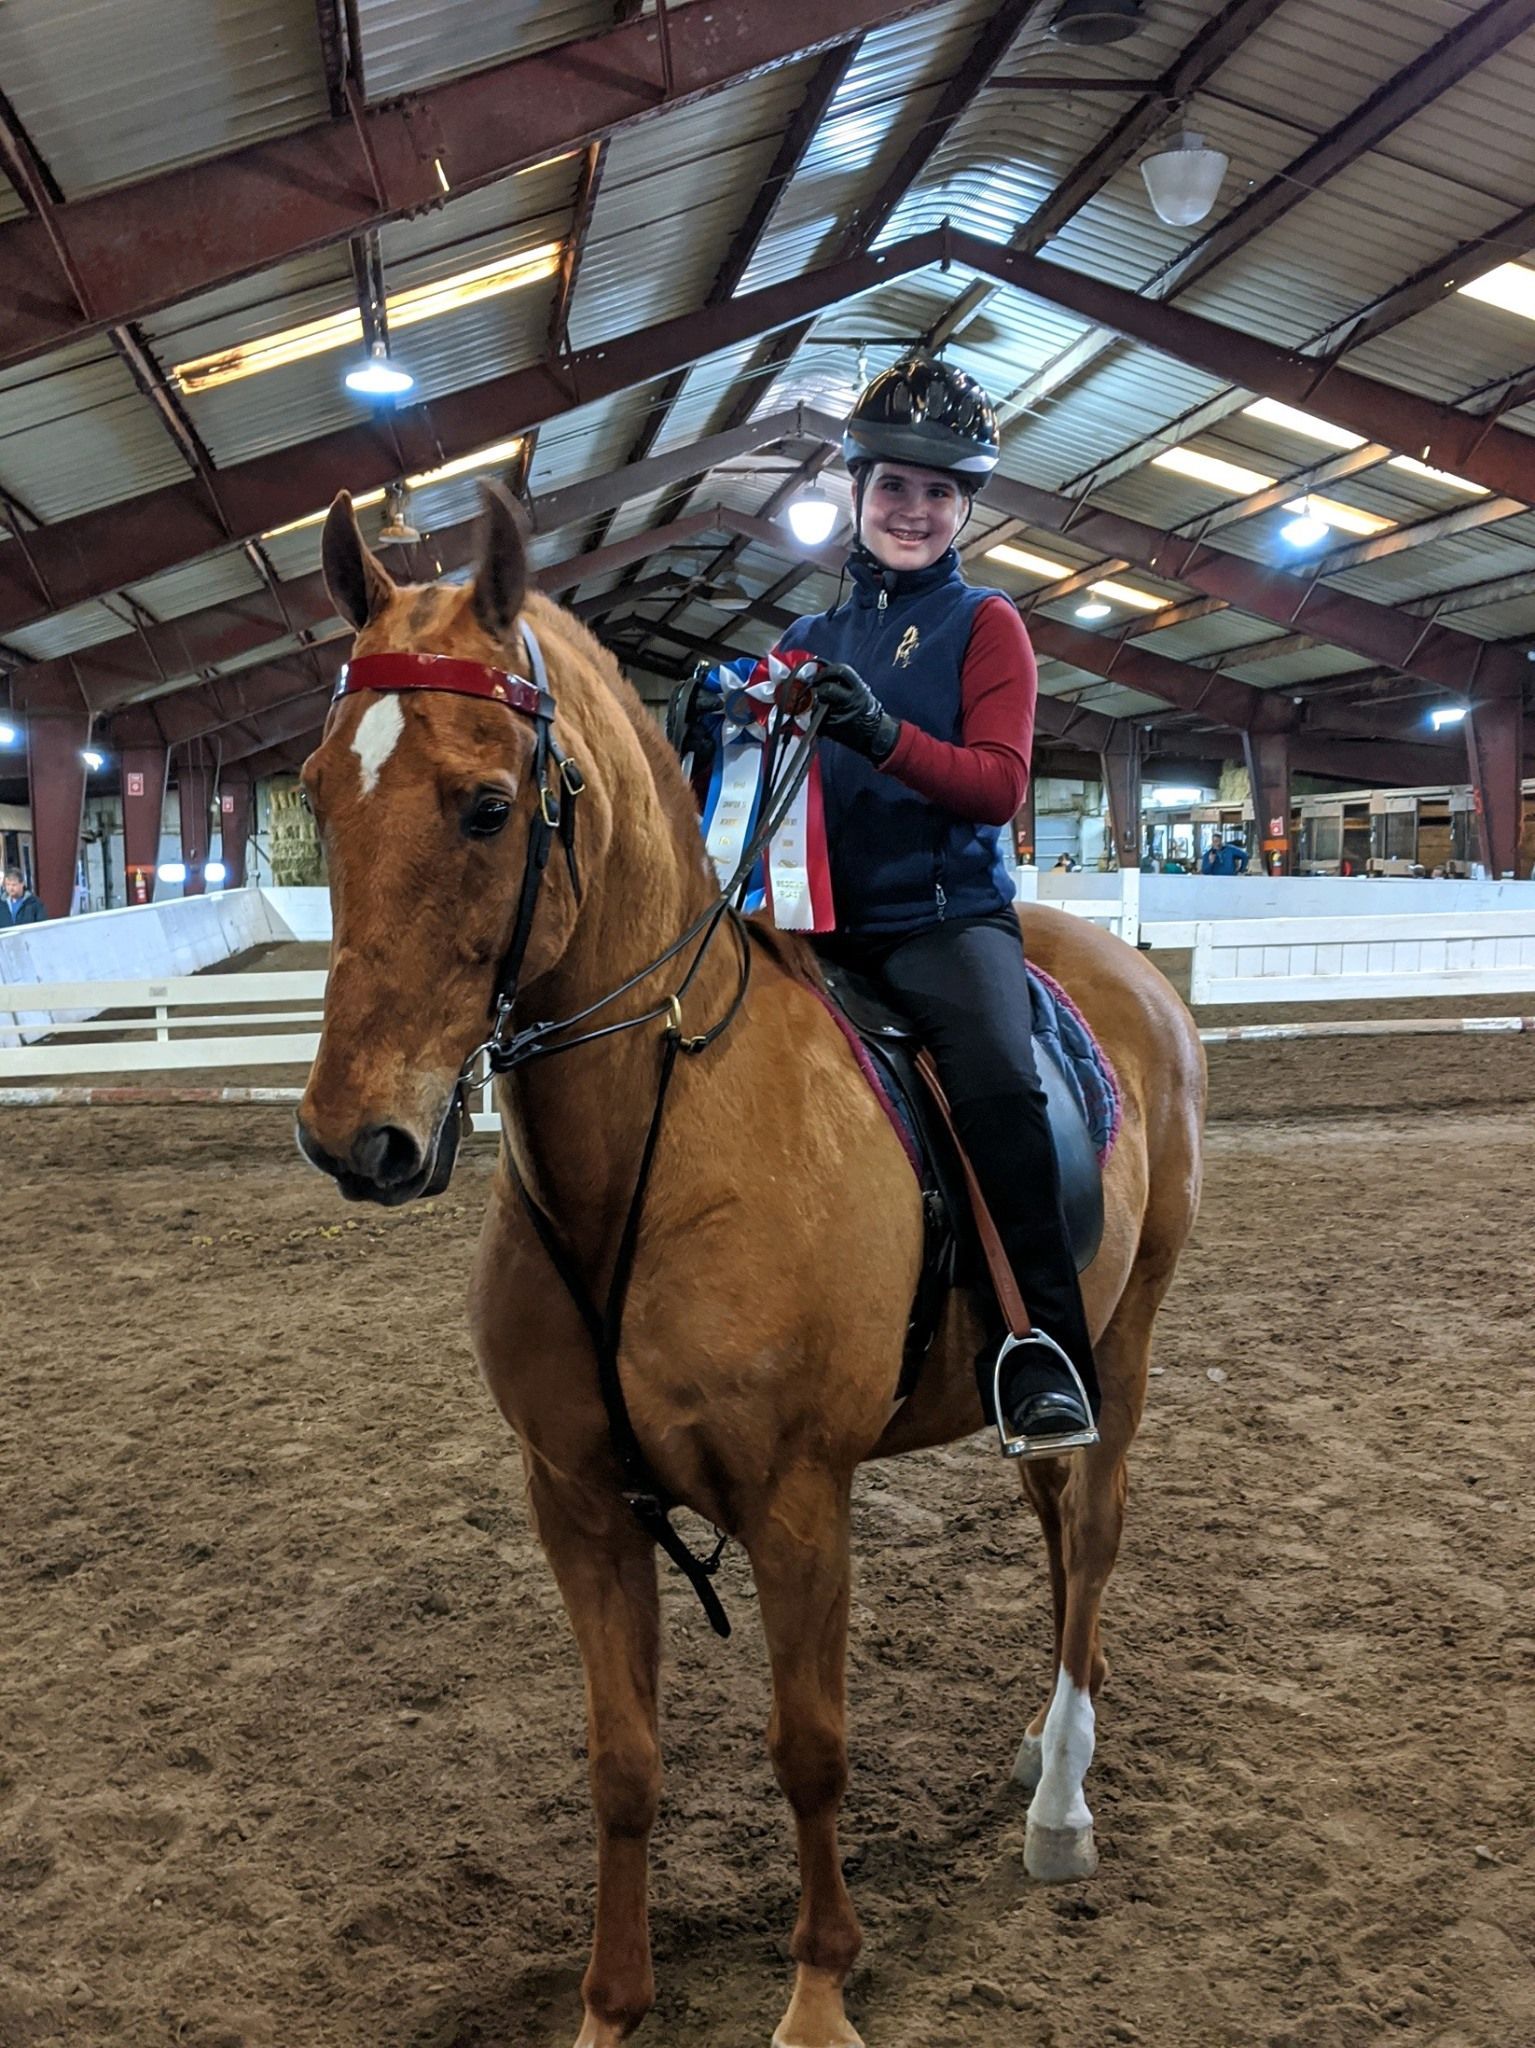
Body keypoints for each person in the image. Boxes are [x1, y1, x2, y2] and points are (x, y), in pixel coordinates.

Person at [774, 354, 1098, 1460]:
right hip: (811, 926)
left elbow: (999, 785)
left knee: (1000, 1088)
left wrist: (877, 734)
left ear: (961, 508)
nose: (911, 510)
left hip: (940, 919)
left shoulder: (984, 622)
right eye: (892, 488)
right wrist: (709, 716)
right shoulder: (806, 643)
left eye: (936, 493)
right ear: (856, 495)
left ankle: (1044, 1348)